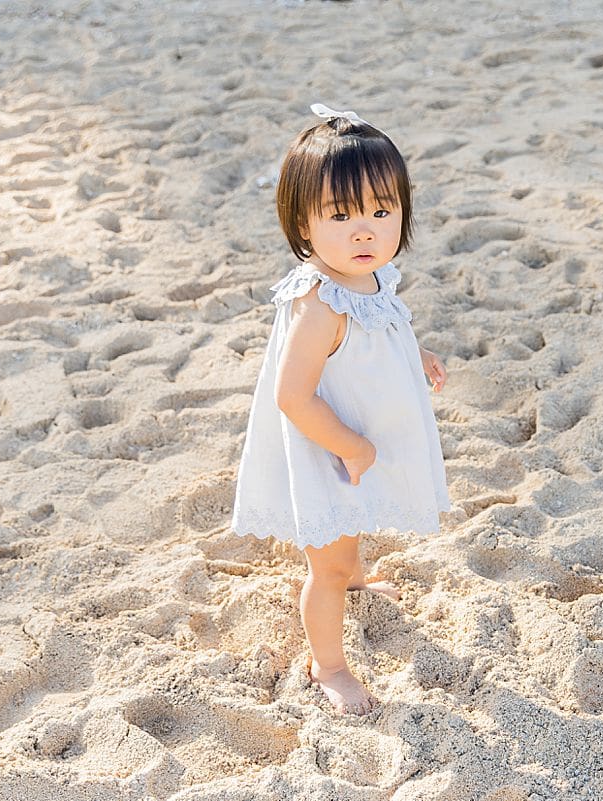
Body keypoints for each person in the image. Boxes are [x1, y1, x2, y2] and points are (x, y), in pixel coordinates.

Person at [230, 104, 451, 715]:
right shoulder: (318, 302)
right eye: (341, 215)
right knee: (324, 563)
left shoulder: (375, 278)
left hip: (359, 433)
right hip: (325, 442)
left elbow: (380, 330)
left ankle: (353, 575)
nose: (365, 231)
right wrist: (351, 445)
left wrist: (417, 352)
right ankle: (328, 664)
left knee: (348, 528)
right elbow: (291, 395)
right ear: (302, 225)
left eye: (382, 212)